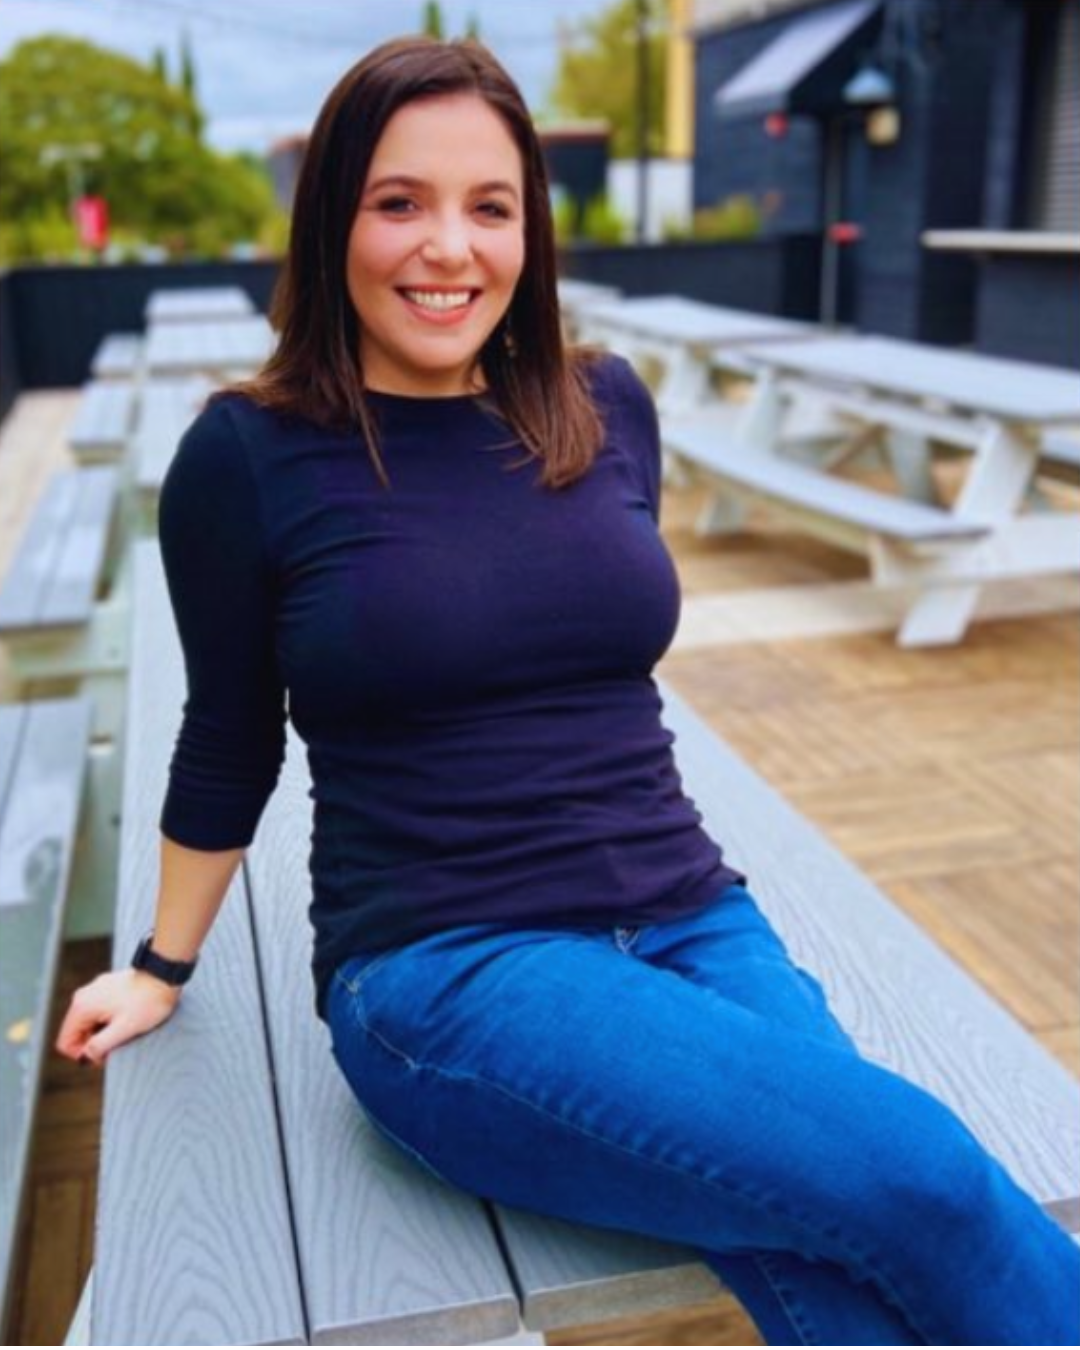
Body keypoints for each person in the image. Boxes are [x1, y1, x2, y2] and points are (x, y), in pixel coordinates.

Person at [56, 36, 1078, 1347]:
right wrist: (159, 963)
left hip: (695, 915)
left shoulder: (602, 403)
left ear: (532, 230)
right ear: (333, 222)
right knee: (923, 1176)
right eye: (399, 203)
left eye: (492, 207)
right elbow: (229, 729)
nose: (449, 248)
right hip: (451, 968)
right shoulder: (248, 456)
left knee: (843, 1236)